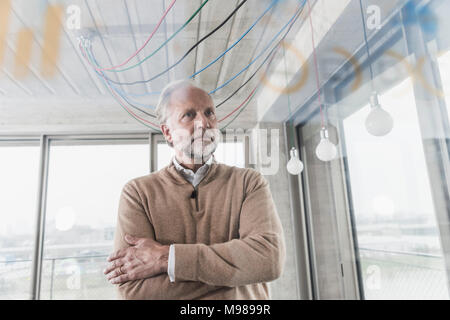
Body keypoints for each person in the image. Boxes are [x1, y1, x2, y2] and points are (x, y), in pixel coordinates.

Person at [103, 80, 285, 299]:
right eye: (189, 115)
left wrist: (166, 259)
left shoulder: (249, 182)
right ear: (167, 132)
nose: (204, 123)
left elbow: (269, 260)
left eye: (209, 113)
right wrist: (236, 275)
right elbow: (134, 292)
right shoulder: (138, 193)